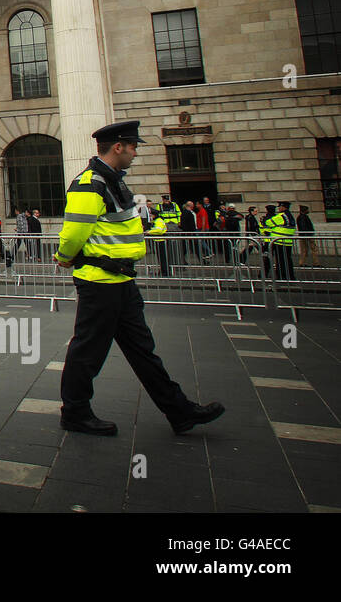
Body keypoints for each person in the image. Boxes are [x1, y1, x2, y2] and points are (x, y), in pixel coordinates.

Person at [56, 121, 224, 436]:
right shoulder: (89, 183)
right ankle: (75, 412)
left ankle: (179, 411)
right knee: (88, 351)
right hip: (99, 281)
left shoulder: (113, 182)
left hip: (121, 281)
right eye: (133, 146)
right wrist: (64, 258)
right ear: (118, 146)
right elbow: (74, 231)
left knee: (142, 351)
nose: (135, 152)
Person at [264, 201, 296, 281]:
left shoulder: (282, 216)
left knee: (280, 260)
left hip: (279, 241)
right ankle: (290, 276)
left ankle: (282, 276)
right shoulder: (290, 216)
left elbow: (268, 223)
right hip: (287, 242)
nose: (278, 208)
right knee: (287, 259)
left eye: (279, 207)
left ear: (283, 207)